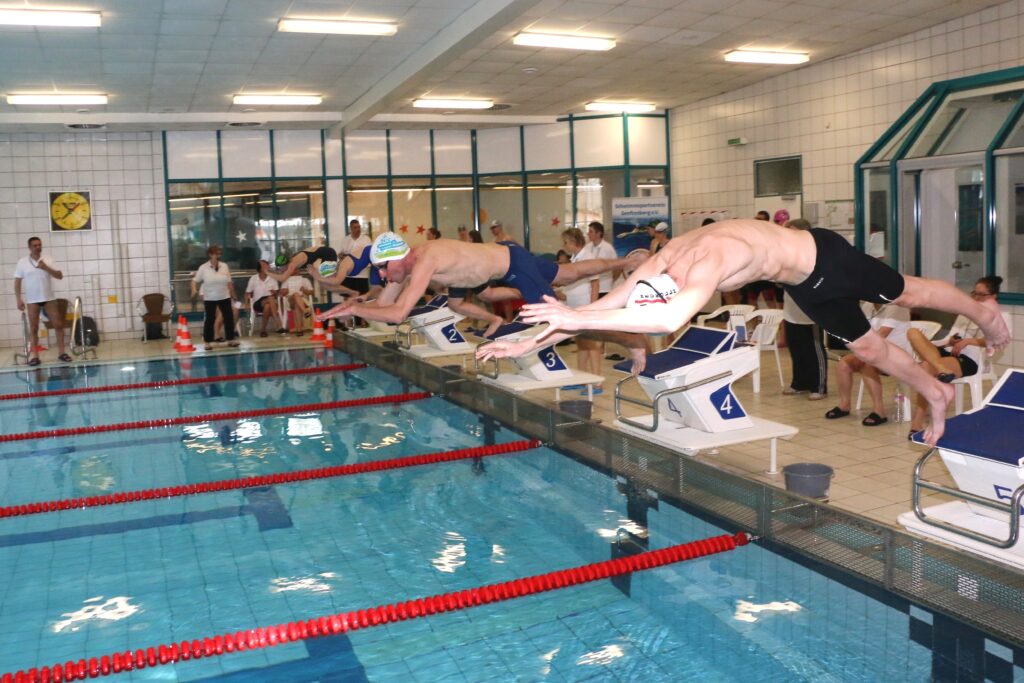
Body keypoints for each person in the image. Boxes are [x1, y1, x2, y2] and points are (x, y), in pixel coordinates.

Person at [476, 218, 1009, 445]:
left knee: (908, 291)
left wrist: (573, 320)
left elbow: (663, 321)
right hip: (803, 284)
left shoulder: (710, 256)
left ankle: (981, 310)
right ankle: (934, 390)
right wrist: (531, 338)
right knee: (866, 345)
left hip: (825, 257)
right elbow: (605, 308)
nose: (685, 290)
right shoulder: (657, 266)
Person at [319, 232, 649, 370]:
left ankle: (630, 338)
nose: (384, 277)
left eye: (384, 270)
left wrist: (355, 308)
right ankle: (626, 263)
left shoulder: (424, 261)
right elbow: (383, 306)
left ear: (398, 258)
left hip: (511, 265)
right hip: (490, 272)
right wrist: (355, 305)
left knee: (561, 320)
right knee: (565, 273)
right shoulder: (404, 266)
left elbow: (398, 313)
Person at [907, 276, 1011, 437]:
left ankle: (917, 422)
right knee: (913, 333)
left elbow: (999, 341)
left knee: (926, 368)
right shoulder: (966, 313)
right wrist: (949, 341)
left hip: (969, 360)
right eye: (974, 293)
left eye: (981, 295)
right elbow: (950, 338)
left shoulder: (1000, 316)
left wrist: (969, 341)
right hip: (949, 353)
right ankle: (940, 368)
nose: (975, 298)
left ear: (993, 296)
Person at [823, 301, 910, 426]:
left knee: (868, 365)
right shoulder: (868, 306)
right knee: (843, 364)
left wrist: (863, 354)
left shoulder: (897, 307)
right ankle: (844, 405)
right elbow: (859, 331)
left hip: (898, 356)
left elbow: (881, 335)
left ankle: (879, 411)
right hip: (874, 353)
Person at [780, 219, 827, 400]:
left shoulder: (816, 253)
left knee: (813, 349)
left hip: (810, 312)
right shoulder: (786, 253)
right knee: (797, 348)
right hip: (791, 310)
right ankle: (799, 383)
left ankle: (819, 386)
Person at [14, 236, 69, 366]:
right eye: (35, 245)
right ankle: (35, 356)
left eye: (39, 245)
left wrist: (46, 268)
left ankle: (62, 353)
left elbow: (59, 276)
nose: (38, 247)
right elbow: (17, 282)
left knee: (58, 324)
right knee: (33, 328)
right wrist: (18, 299)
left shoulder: (48, 259)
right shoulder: (22, 262)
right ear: (29, 247)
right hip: (32, 300)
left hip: (49, 299)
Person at [191, 245, 239, 350]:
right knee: (210, 319)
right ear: (210, 255)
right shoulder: (203, 268)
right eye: (215, 253)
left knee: (228, 317)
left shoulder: (224, 266)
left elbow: (229, 282)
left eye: (219, 253)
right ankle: (207, 341)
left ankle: (231, 339)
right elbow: (195, 280)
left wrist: (233, 295)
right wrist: (194, 289)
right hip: (210, 298)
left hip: (224, 296)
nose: (217, 255)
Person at [245, 259, 286, 336]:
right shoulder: (253, 278)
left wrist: (275, 292)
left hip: (271, 302)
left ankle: (263, 330)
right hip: (258, 303)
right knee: (270, 299)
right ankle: (278, 323)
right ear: (260, 268)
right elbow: (247, 292)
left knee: (268, 305)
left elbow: (277, 294)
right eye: (264, 265)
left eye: (267, 265)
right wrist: (247, 303)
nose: (267, 267)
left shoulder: (272, 278)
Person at [338, 219, 372, 295]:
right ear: (351, 228)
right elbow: (342, 253)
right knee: (347, 297)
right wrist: (341, 255)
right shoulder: (345, 239)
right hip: (348, 274)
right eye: (355, 227)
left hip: (362, 274)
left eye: (359, 227)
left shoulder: (366, 239)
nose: (358, 229)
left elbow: (370, 254)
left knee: (362, 297)